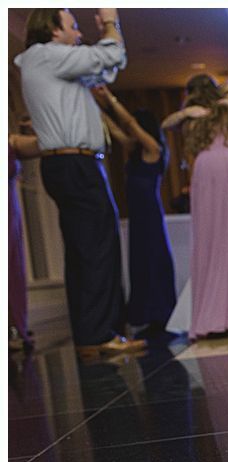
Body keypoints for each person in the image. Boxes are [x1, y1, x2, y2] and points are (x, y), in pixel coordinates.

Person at [14, 8, 146, 358]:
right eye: (72, 26)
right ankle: (97, 336)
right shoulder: (46, 56)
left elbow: (108, 68)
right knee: (94, 250)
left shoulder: (53, 64)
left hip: (73, 165)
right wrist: (109, 21)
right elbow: (113, 54)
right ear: (53, 31)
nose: (77, 33)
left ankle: (99, 334)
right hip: (73, 164)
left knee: (90, 248)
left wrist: (105, 51)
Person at [162, 74, 228, 339]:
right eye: (227, 92)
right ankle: (215, 313)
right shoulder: (208, 115)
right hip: (210, 175)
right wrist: (189, 110)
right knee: (214, 239)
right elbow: (168, 123)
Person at [92, 86, 177, 338]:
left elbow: (128, 125)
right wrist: (93, 106)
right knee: (140, 262)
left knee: (153, 261)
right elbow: (118, 131)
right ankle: (146, 314)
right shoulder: (135, 151)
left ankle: (161, 313)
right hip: (138, 217)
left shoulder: (153, 149)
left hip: (151, 215)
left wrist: (112, 100)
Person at [9, 132, 41, 351]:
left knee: (12, 269)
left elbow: (45, 143)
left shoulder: (10, 140)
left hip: (10, 209)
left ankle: (12, 327)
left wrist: (38, 123)